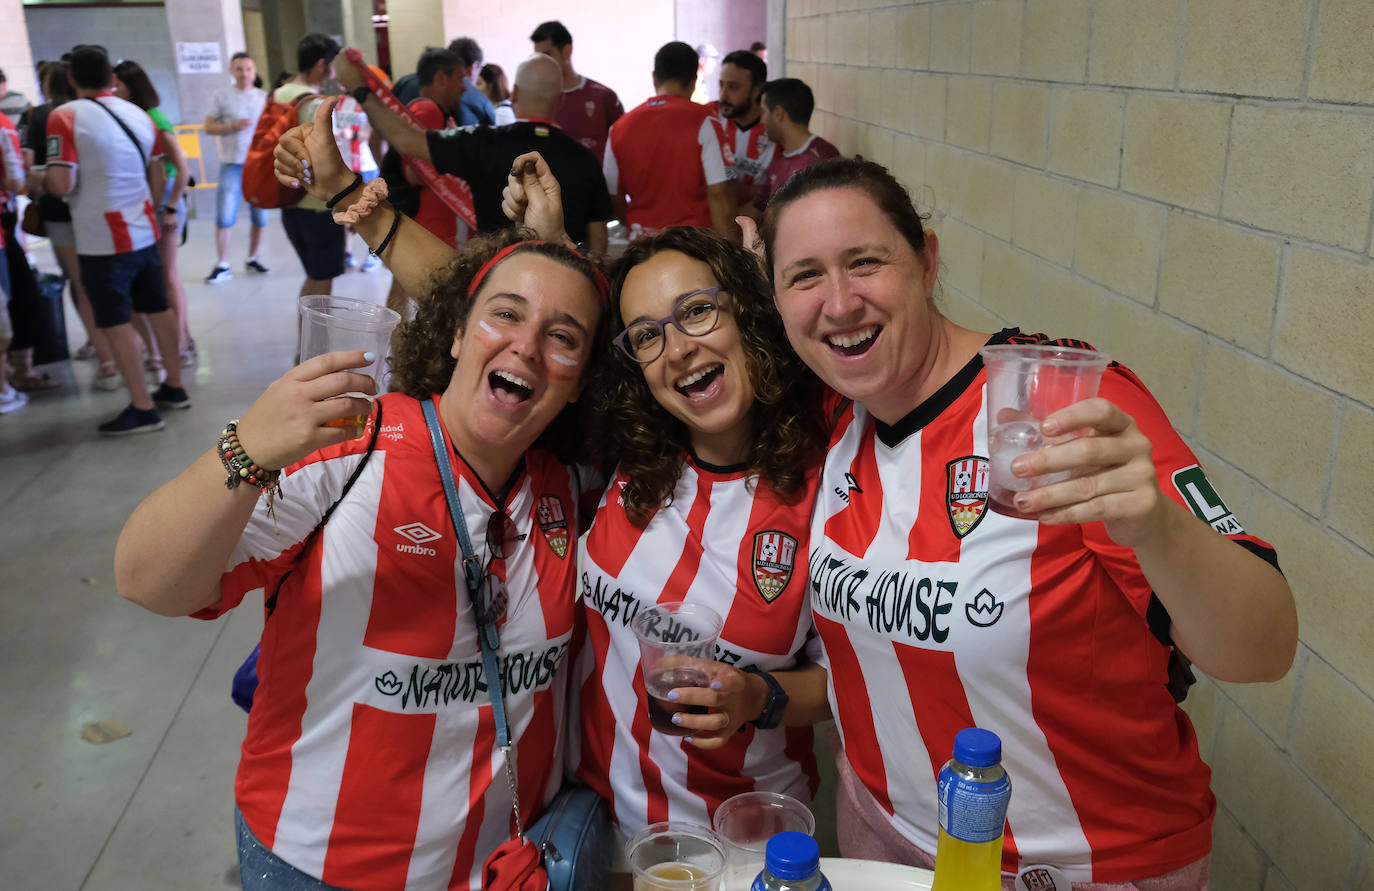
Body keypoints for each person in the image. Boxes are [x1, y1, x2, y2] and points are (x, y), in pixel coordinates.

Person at [750, 158, 1299, 888]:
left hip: (1078, 865)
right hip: (886, 837)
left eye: (866, 261)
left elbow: (1264, 647)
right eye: (805, 275)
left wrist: (1158, 527)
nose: (841, 301)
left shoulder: (1053, 406)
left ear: (927, 259)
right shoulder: (836, 416)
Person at [572, 223, 833, 877]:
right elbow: (504, 330)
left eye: (696, 311)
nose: (679, 349)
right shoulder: (626, 454)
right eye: (648, 335)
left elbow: (850, 685)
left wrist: (756, 696)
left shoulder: (827, 486)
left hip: (739, 843)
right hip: (595, 825)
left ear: (746, 310)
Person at [45, 44, 189, 435]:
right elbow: (158, 173)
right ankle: (174, 388)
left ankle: (143, 407)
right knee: (157, 308)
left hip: (101, 239)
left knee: (115, 320)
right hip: (144, 227)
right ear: (112, 78)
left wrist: (38, 177)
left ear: (72, 78)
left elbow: (61, 182)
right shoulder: (140, 115)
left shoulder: (65, 116)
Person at [339, 52, 611, 255]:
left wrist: (360, 89)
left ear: (514, 94)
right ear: (561, 100)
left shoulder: (482, 142)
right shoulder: (586, 160)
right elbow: (598, 243)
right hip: (565, 284)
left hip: (494, 282)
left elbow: (406, 140)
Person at [21, 60, 118, 390]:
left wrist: (39, 179)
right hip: (104, 209)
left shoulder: (40, 117)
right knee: (110, 282)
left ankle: (107, 360)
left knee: (81, 285)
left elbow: (29, 169)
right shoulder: (99, 113)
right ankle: (134, 352)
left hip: (60, 212)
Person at [602, 42, 733, 241]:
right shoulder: (706, 120)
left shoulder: (619, 127)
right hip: (694, 243)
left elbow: (613, 197)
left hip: (641, 244)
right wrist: (730, 254)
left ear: (654, 77)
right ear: (693, 81)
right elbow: (719, 193)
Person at [113, 60, 193, 370]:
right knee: (161, 277)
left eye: (117, 85)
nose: (113, 91)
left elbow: (182, 168)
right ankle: (177, 340)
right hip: (152, 200)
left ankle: (182, 341)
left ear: (131, 86)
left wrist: (171, 207)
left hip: (166, 201)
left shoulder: (153, 118)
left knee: (168, 276)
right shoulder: (132, 116)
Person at [276, 33, 344, 298]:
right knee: (323, 284)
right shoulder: (317, 105)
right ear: (321, 65)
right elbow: (329, 160)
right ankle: (317, 340)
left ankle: (307, 338)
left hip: (287, 199)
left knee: (314, 276)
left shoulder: (279, 94)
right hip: (317, 206)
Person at [204, 51, 270, 284]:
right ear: (232, 71)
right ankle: (222, 264)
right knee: (225, 214)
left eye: (249, 69)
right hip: (232, 163)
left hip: (259, 165)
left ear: (255, 72)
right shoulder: (221, 96)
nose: (244, 74)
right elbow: (209, 127)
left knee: (260, 216)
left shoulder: (264, 98)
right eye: (239, 69)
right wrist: (232, 126)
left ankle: (253, 257)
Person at [529, 20, 623, 161]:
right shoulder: (534, 101)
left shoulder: (603, 96)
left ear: (567, 51)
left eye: (548, 54)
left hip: (596, 181)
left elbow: (622, 147)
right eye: (538, 57)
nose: (542, 62)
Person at [754, 78, 839, 211]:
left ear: (778, 113)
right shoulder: (778, 159)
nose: (761, 120)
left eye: (763, 112)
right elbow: (759, 209)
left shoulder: (820, 159)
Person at [709, 50, 775, 215]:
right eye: (721, 85)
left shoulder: (776, 128)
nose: (723, 96)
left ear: (757, 90)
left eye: (733, 87)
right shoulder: (708, 116)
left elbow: (779, 193)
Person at [392, 37, 495, 127]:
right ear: (441, 78)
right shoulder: (480, 102)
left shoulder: (404, 83)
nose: (464, 88)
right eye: (460, 78)